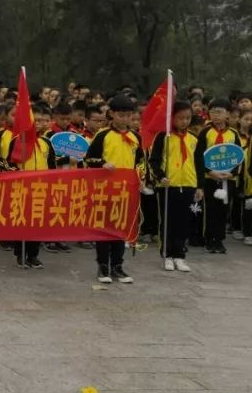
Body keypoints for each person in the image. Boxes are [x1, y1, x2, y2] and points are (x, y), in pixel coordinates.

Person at [84, 95, 141, 283]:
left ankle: (118, 265)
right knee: (103, 229)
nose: (124, 119)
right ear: (112, 114)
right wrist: (103, 163)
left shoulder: (135, 137)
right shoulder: (103, 135)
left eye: (128, 116)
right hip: (104, 190)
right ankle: (103, 266)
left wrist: (141, 175)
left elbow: (141, 162)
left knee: (120, 229)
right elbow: (89, 159)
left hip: (126, 191)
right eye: (121, 115)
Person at [149, 101, 198, 272]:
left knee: (184, 222)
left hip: (189, 185)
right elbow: (153, 160)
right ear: (172, 118)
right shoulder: (164, 136)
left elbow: (198, 163)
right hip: (168, 186)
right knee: (168, 222)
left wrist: (199, 187)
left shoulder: (193, 139)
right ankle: (167, 255)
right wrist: (160, 176)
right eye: (180, 118)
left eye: (187, 118)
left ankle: (180, 255)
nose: (184, 121)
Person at [7, 104, 57, 268]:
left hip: (41, 189)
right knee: (22, 221)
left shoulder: (46, 143)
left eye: (44, 120)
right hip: (21, 188)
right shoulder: (18, 140)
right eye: (38, 120)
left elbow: (52, 168)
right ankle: (21, 254)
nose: (41, 123)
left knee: (37, 223)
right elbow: (9, 164)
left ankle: (33, 254)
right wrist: (17, 174)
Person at [194, 98, 242, 254]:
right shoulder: (205, 132)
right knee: (210, 210)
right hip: (210, 178)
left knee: (223, 210)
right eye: (213, 111)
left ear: (228, 114)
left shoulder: (234, 134)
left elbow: (239, 157)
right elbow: (199, 157)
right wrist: (209, 172)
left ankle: (219, 240)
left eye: (219, 112)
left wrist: (231, 173)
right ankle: (209, 239)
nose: (215, 115)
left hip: (228, 179)